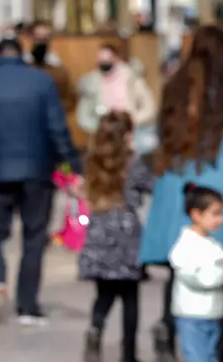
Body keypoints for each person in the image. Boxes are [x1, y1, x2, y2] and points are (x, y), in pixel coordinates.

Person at [0, 37, 81, 326]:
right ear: (22, 55)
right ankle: (28, 304)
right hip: (37, 172)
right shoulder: (41, 82)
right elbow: (57, 128)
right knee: (34, 236)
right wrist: (71, 165)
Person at [139, 25, 223, 362]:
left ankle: (167, 324)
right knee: (213, 261)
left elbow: (162, 133)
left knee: (181, 263)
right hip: (215, 175)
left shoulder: (176, 86)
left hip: (177, 181)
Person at [80, 111, 153, 362]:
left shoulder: (92, 161)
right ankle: (128, 353)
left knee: (103, 294)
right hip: (126, 235)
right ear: (128, 135)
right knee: (130, 297)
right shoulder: (134, 162)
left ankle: (95, 329)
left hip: (99, 232)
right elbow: (150, 185)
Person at [169, 184, 223, 362]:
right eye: (215, 213)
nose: (219, 219)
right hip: (192, 315)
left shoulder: (212, 243)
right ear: (196, 214)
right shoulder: (186, 245)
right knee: (197, 358)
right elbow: (202, 279)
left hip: (214, 313)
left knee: (210, 357)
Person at [76, 43, 157, 138]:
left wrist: (133, 121)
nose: (104, 62)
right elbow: (83, 117)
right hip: (105, 136)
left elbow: (149, 106)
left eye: (108, 59)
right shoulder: (91, 84)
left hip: (133, 132)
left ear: (116, 58)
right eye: (100, 59)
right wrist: (100, 128)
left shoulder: (132, 77)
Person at [30, 27, 77, 115]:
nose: (41, 40)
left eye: (45, 37)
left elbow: (69, 96)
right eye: (38, 36)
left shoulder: (57, 65)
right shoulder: (25, 63)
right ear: (32, 37)